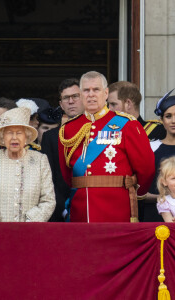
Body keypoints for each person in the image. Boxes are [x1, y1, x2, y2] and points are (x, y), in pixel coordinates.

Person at [58, 71, 155, 222]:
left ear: (106, 93)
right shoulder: (68, 129)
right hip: (80, 209)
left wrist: (137, 195)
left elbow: (146, 167)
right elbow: (66, 174)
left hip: (117, 208)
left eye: (96, 90)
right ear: (81, 95)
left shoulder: (127, 124)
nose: (91, 94)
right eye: (86, 90)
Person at [0, 107, 56, 222]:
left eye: (19, 133)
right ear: (3, 137)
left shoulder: (40, 160)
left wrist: (30, 221)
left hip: (30, 231)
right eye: (9, 133)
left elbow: (48, 200)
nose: (14, 138)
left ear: (26, 136)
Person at [144, 90, 175, 222]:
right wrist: (160, 197)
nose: (174, 121)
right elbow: (140, 189)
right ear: (162, 120)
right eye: (168, 116)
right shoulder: (150, 148)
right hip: (154, 216)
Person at [41, 78, 83, 222]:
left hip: (92, 206)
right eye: (66, 98)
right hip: (60, 212)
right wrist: (63, 209)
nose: (71, 101)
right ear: (61, 105)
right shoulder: (50, 137)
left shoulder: (99, 133)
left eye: (75, 96)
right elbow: (48, 178)